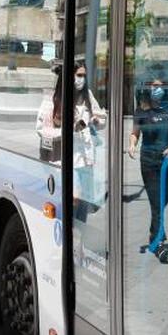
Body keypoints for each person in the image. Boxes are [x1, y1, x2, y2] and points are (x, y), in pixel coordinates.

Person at [37, 62, 107, 221]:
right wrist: (67, 131)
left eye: (84, 76)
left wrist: (97, 121)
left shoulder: (87, 95)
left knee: (83, 202)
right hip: (65, 159)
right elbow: (41, 129)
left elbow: (101, 117)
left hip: (85, 158)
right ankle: (69, 232)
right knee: (74, 198)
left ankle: (78, 237)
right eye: (78, 75)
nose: (81, 79)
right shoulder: (53, 99)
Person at [127, 78, 168, 249]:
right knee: (157, 202)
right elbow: (135, 133)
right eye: (154, 86)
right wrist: (132, 144)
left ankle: (159, 234)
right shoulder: (142, 111)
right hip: (148, 162)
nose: (158, 89)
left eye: (161, 86)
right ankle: (158, 238)